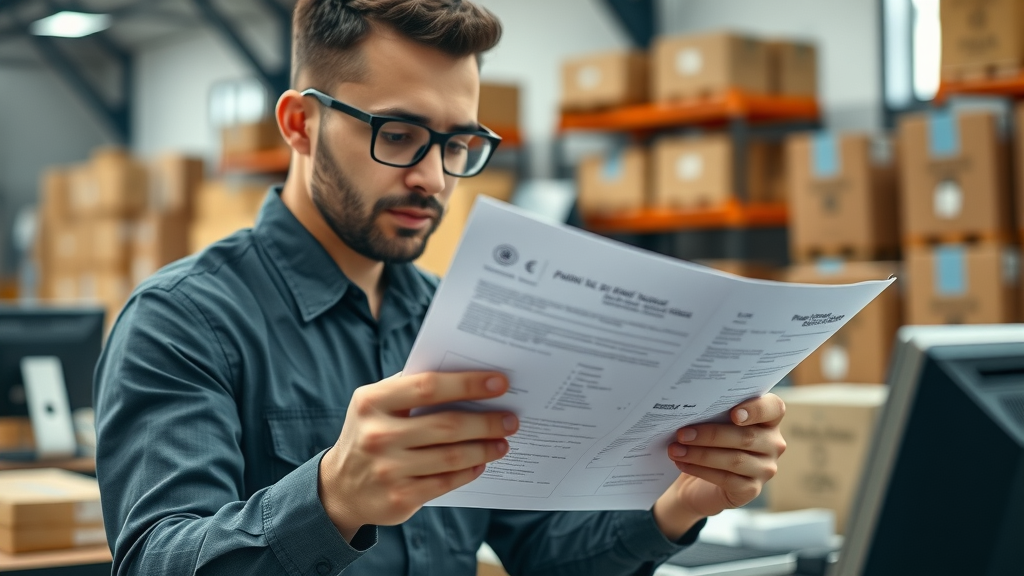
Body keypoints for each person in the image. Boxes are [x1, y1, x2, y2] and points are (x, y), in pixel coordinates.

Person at [94, 1, 787, 574]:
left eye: (457, 145)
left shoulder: (458, 318)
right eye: (398, 135)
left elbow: (540, 551)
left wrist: (677, 505)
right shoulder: (181, 321)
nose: (433, 178)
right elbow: (156, 559)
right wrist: (332, 498)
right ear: (301, 125)